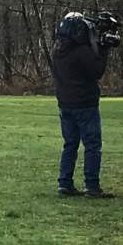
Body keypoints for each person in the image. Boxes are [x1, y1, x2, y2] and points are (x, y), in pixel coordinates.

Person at [51, 11, 114, 198]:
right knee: (92, 145)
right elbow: (96, 71)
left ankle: (65, 183)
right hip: (85, 103)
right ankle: (91, 185)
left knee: (70, 144)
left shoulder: (57, 51)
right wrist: (103, 50)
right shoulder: (81, 51)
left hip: (65, 102)